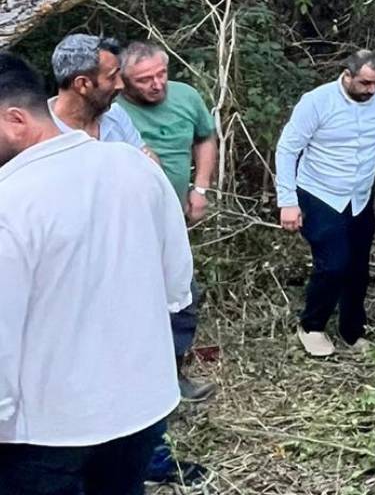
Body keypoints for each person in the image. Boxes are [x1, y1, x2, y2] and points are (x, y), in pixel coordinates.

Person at [0, 52, 193, 495]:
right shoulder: (135, 167)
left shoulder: (9, 203)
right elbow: (176, 286)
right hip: (142, 410)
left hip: (43, 434)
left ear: (15, 120)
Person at [275, 49, 375, 357]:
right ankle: (312, 326)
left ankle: (352, 330)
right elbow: (287, 150)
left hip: (359, 197)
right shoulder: (317, 102)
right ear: (347, 76)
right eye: (364, 83)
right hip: (319, 192)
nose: (371, 90)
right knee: (333, 264)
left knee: (358, 267)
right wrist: (287, 202)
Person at [118, 41, 218, 402]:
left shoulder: (186, 96)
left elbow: (206, 138)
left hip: (172, 220)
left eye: (162, 74)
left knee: (182, 295)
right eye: (145, 79)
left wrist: (201, 188)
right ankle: (131, 380)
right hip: (126, 226)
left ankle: (173, 376)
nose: (157, 84)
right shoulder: (112, 111)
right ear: (123, 81)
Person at [48, 33, 148, 150]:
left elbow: (147, 159)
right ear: (82, 84)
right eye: (112, 77)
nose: (120, 85)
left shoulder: (115, 115)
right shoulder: (40, 132)